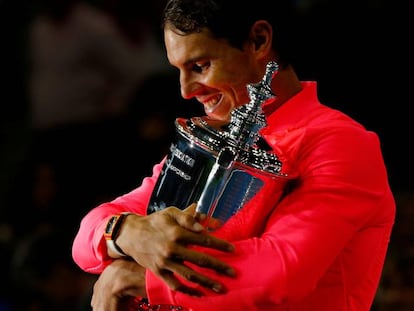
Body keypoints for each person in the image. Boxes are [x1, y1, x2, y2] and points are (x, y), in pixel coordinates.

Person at [72, 0, 396, 310]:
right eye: (179, 70)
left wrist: (139, 278)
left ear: (258, 40)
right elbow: (87, 236)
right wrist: (126, 232)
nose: (186, 90)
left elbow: (279, 272)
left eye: (200, 66)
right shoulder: (209, 140)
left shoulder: (342, 143)